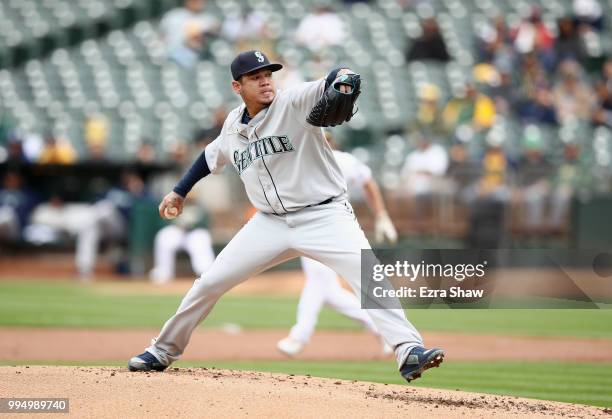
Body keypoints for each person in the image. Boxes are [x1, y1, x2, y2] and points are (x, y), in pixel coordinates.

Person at [128, 50, 444, 383]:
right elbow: (209, 157)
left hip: (325, 215)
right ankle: (162, 351)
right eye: (255, 77)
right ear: (237, 86)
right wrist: (179, 191)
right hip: (269, 223)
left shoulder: (293, 101)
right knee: (209, 283)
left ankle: (408, 349)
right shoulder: (233, 126)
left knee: (370, 275)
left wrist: (343, 77)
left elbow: (332, 79)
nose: (265, 81)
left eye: (268, 74)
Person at [277, 132, 397, 357]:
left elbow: (368, 182)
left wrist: (381, 215)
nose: (323, 142)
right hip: (306, 229)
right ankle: (381, 328)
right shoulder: (301, 161)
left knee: (319, 282)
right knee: (327, 289)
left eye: (326, 139)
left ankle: (299, 337)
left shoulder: (343, 160)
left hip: (334, 229)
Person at [149, 197, 215, 284]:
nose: (188, 199)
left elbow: (205, 223)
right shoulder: (173, 205)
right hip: (178, 232)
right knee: (163, 236)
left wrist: (192, 225)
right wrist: (177, 223)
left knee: (201, 239)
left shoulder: (200, 207)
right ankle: (163, 271)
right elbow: (164, 221)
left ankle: (205, 272)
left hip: (194, 233)